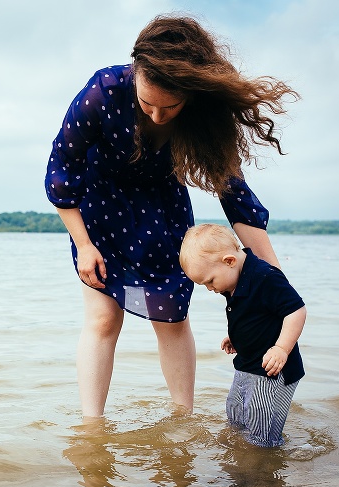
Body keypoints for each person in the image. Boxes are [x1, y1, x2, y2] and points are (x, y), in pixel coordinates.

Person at [44, 14, 298, 418]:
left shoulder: (203, 115)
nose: (158, 117)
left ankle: (184, 416)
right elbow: (62, 168)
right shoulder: (103, 92)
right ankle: (92, 427)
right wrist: (84, 245)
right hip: (100, 208)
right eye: (147, 104)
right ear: (135, 76)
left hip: (163, 211)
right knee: (103, 319)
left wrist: (273, 276)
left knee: (172, 316)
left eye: (171, 107)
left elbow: (234, 194)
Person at [179, 223, 306, 447]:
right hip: (247, 364)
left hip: (273, 371)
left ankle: (263, 468)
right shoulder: (233, 280)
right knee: (235, 412)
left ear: (229, 261)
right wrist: (238, 337)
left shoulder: (265, 277)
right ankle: (240, 456)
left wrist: (281, 349)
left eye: (210, 281)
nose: (210, 288)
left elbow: (296, 311)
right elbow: (253, 314)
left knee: (261, 424)